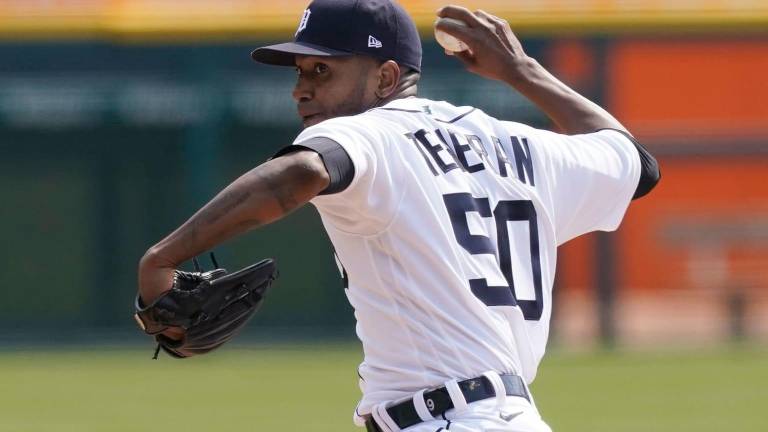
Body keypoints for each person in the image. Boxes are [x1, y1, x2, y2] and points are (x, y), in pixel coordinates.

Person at [138, 1, 660, 431]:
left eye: (322, 70)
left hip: (446, 418)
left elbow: (300, 172)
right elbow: (636, 165)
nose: (301, 88)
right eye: (300, 72)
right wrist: (521, 72)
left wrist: (161, 257)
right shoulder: (514, 143)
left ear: (386, 76)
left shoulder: (368, 131)